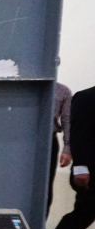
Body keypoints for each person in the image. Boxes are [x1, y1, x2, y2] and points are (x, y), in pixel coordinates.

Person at [45, 85, 93, 229]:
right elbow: (78, 134)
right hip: (90, 168)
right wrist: (80, 167)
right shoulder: (87, 97)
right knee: (86, 211)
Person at [48, 82, 73, 219]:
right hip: (21, 140)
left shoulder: (63, 91)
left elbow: (67, 121)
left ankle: (39, 227)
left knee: (45, 187)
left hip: (49, 141)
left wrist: (67, 149)